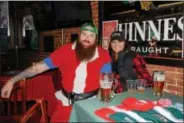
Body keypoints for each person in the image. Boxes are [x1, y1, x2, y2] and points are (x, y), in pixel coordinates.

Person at [1, 22, 112, 122]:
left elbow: (105, 81)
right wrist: (12, 80)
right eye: (84, 34)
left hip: (89, 103)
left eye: (91, 36)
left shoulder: (104, 55)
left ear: (96, 39)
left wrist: (99, 104)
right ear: (79, 36)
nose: (87, 38)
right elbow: (37, 68)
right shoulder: (64, 51)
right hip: (65, 103)